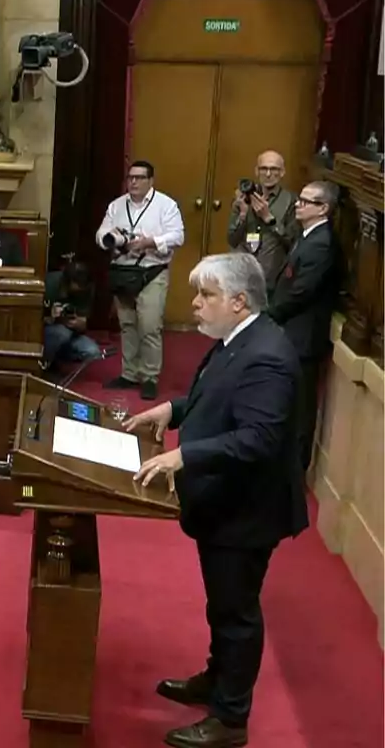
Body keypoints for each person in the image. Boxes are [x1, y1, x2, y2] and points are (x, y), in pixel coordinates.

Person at [124, 253, 306, 748]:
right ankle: (216, 678)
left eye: (206, 295)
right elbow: (215, 398)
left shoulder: (267, 355)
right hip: (222, 501)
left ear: (238, 300)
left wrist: (184, 457)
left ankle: (230, 718)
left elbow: (258, 439)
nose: (196, 304)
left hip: (247, 510)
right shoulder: (236, 340)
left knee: (236, 610)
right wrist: (172, 408)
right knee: (221, 604)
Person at [267, 179, 342, 472]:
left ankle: (294, 475)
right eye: (299, 199)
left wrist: (268, 316)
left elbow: (301, 292)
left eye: (306, 201)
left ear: (323, 208)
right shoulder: (308, 235)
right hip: (292, 333)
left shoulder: (322, 244)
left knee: (300, 411)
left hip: (303, 337)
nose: (298, 204)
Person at [96, 159, 184, 400]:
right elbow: (101, 232)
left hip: (152, 271)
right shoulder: (117, 205)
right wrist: (112, 240)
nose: (133, 182)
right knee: (127, 325)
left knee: (149, 326)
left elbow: (177, 236)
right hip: (123, 272)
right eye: (130, 177)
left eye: (139, 178)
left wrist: (149, 242)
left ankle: (149, 377)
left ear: (150, 181)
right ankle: (129, 373)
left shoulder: (165, 205)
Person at [226, 150, 298, 295]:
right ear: (257, 171)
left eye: (274, 169)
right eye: (264, 169)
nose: (268, 174)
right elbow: (232, 240)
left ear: (282, 172)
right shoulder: (243, 197)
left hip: (270, 275)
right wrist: (243, 214)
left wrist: (270, 220)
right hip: (242, 271)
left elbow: (293, 242)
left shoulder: (291, 201)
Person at [42, 260, 101, 370]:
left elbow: (84, 320)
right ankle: (43, 363)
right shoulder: (49, 283)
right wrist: (49, 315)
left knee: (93, 352)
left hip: (71, 333)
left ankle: (56, 357)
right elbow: (30, 319)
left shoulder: (86, 288)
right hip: (46, 331)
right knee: (61, 333)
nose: (79, 291)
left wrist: (81, 324)